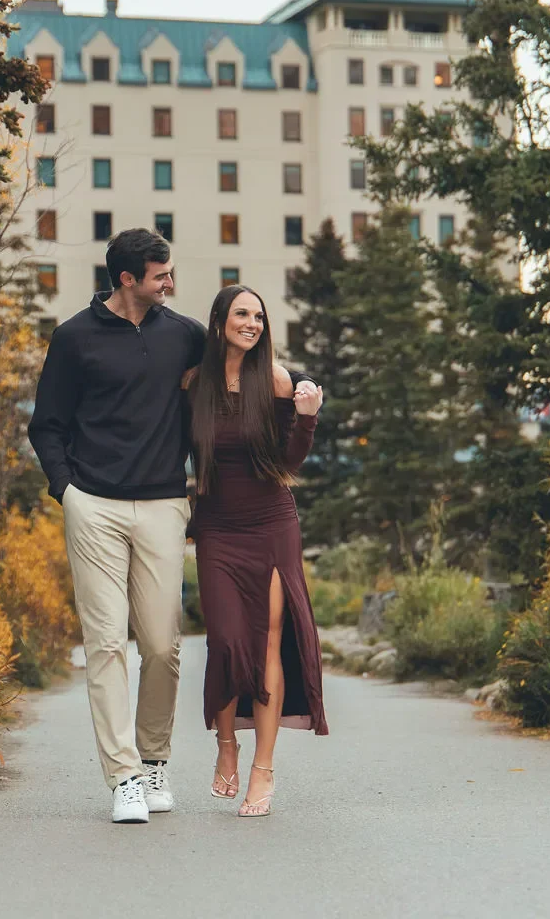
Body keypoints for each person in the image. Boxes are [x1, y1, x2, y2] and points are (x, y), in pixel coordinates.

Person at [27, 228, 205, 824]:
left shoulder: (182, 336)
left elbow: (236, 373)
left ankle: (154, 760)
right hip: (94, 505)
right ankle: (124, 776)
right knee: (105, 644)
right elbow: (46, 424)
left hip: (161, 504)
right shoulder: (75, 337)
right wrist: (68, 492)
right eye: (161, 275)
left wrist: (293, 386)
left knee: (161, 645)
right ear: (128, 279)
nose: (171, 283)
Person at [185, 284, 328, 818]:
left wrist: (308, 417)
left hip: (271, 524)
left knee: (268, 644)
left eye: (259, 317)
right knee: (225, 640)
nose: (252, 324)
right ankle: (228, 746)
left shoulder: (276, 380)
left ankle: (263, 772)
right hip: (217, 528)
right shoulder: (193, 383)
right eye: (242, 314)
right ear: (220, 317)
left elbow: (288, 461)